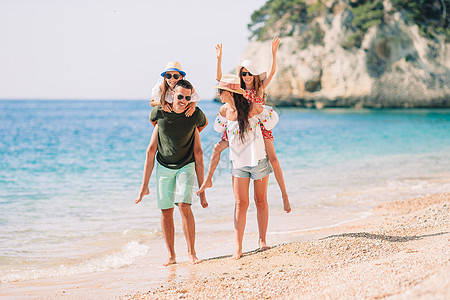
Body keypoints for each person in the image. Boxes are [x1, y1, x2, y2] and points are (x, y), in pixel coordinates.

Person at [198, 37, 291, 213]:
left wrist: (274, 54)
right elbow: (221, 80)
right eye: (243, 73)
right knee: (217, 148)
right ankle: (208, 180)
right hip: (238, 129)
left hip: (258, 129)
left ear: (254, 75)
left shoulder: (259, 89)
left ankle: (284, 195)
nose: (246, 76)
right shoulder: (237, 89)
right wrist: (219, 59)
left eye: (249, 73)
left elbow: (271, 73)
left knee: (273, 159)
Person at [135, 79, 208, 266]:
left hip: (186, 164)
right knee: (166, 211)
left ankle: (192, 253)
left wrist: (202, 189)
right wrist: (144, 186)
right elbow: (150, 149)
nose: (183, 100)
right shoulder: (159, 112)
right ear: (172, 95)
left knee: (184, 205)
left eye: (187, 97)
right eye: (180, 96)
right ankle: (171, 256)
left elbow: (202, 130)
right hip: (164, 166)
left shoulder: (195, 114)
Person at [212, 74, 279, 259]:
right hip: (238, 164)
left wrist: (264, 129)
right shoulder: (225, 111)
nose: (219, 95)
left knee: (260, 200)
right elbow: (218, 129)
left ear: (230, 93)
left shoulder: (253, 108)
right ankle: (238, 247)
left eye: (221, 91)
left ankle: (262, 240)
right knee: (241, 204)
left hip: (258, 160)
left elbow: (272, 118)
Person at [134, 61, 206, 205]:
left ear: (181, 77)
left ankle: (201, 192)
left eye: (175, 75)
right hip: (164, 120)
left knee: (198, 153)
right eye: (169, 75)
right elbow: (151, 103)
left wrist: (191, 106)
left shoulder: (186, 88)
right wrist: (163, 104)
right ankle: (144, 187)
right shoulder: (161, 87)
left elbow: (194, 98)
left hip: (182, 122)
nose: (172, 78)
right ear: (165, 77)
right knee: (150, 150)